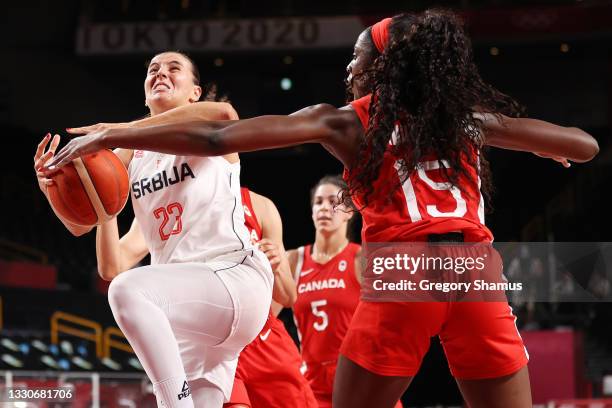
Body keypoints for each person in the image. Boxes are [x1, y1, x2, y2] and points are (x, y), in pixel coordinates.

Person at [46, 10, 599, 408]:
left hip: (403, 269)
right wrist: (545, 143)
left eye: (358, 58)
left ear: (382, 68)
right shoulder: (470, 120)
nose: (349, 69)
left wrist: (114, 133)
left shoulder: (347, 119)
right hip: (475, 271)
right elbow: (585, 145)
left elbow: (221, 136)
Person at [36, 51, 275, 408]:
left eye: (173, 68)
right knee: (124, 285)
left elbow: (225, 114)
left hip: (233, 279)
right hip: (190, 311)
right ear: (145, 94)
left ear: (195, 93)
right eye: (153, 70)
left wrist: (117, 132)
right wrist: (54, 188)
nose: (161, 72)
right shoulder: (130, 158)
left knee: (130, 290)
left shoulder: (208, 132)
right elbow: (108, 261)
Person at [288, 175, 403, 408]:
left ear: (350, 212)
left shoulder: (362, 258)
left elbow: (396, 318)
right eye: (318, 202)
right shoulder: (293, 260)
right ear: (311, 212)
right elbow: (264, 319)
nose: (324, 208)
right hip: (313, 386)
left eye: (333, 202)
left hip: (362, 381)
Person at [225, 187, 317, 408]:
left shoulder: (260, 206)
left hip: (264, 341)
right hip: (218, 348)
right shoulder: (179, 203)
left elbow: (287, 296)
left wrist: (272, 266)